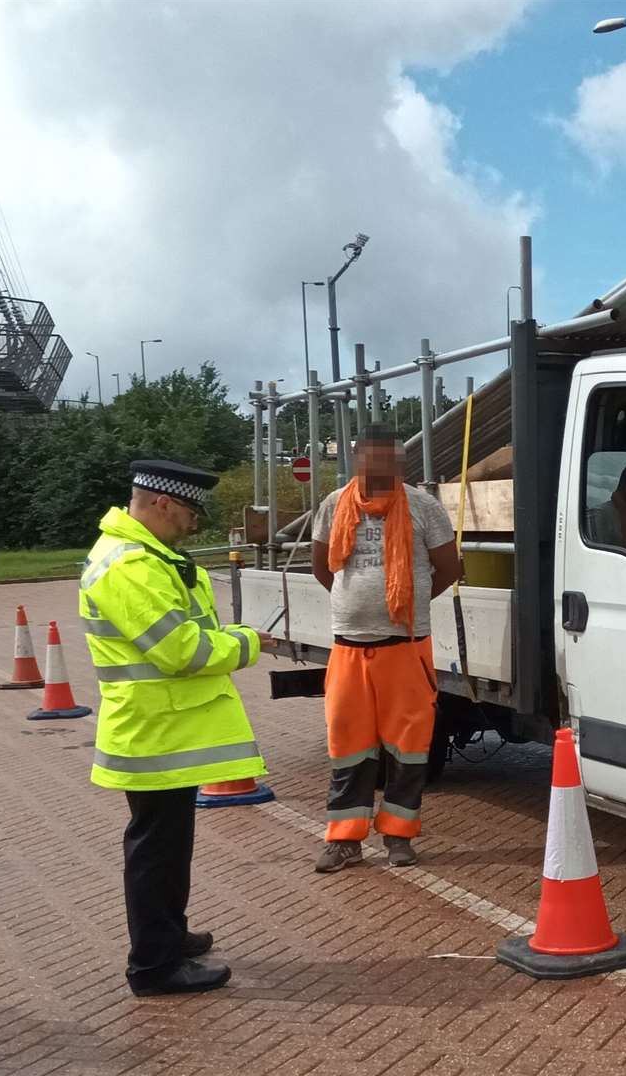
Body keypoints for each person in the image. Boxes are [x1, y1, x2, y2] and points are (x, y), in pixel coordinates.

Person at [80, 460, 269, 996]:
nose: (191, 524)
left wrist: (230, 635)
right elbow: (178, 650)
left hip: (164, 728)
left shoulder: (146, 557)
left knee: (166, 846)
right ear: (161, 503)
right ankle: (154, 965)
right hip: (153, 732)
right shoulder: (129, 566)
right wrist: (248, 642)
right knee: (155, 851)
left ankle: (169, 934)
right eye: (187, 512)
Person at [310, 426, 460, 872]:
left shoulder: (423, 507)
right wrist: (356, 606)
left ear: (400, 462)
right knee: (349, 747)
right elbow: (323, 568)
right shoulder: (333, 505)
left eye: (389, 459)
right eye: (370, 458)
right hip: (349, 648)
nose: (379, 467)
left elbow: (449, 568)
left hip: (406, 648)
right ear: (357, 461)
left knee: (409, 748)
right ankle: (344, 840)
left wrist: (405, 604)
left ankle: (399, 835)